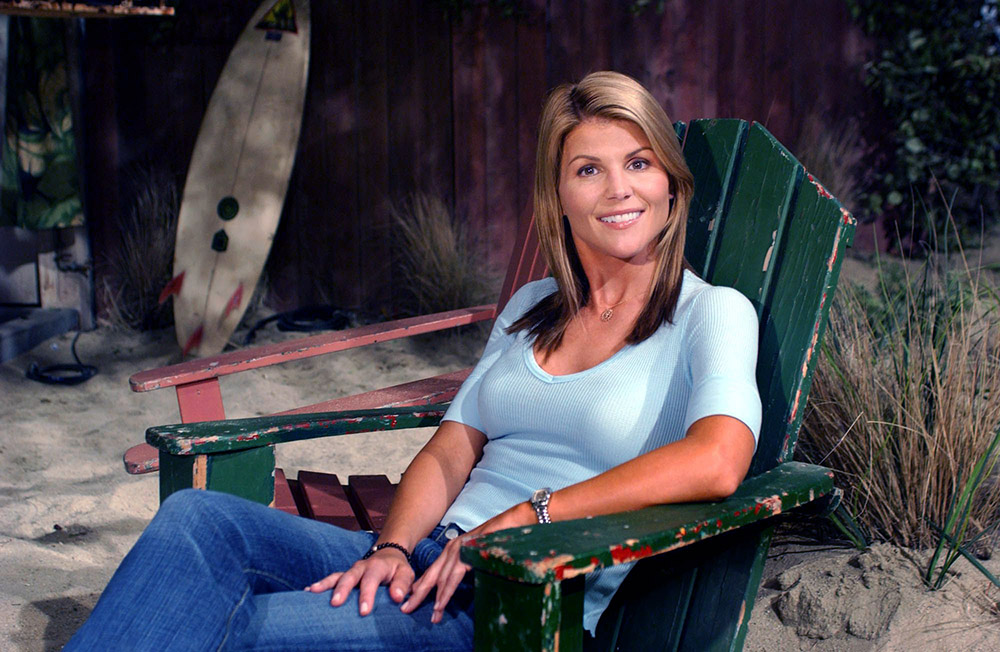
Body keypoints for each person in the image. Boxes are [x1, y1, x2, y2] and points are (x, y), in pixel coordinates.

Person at [65, 70, 760, 651]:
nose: (619, 190)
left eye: (639, 163)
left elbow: (718, 459)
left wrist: (529, 516)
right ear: (560, 197)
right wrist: (391, 549)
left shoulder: (712, 313)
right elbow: (449, 453)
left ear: (672, 185)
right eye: (589, 169)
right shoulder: (531, 305)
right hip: (430, 555)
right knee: (197, 519)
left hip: (515, 596)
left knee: (239, 630)